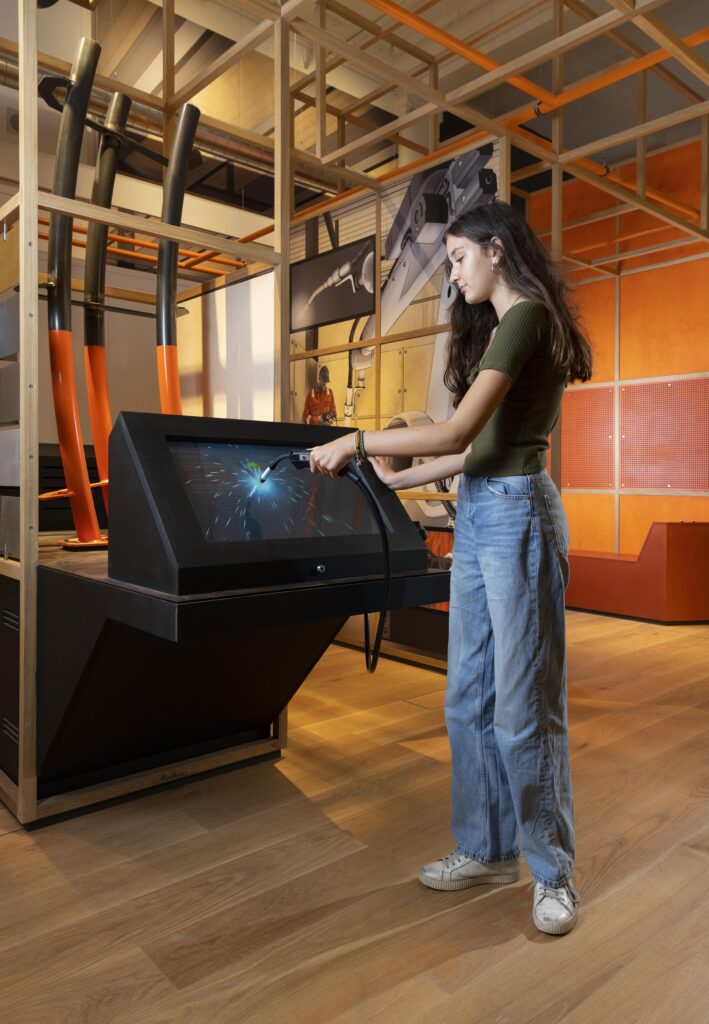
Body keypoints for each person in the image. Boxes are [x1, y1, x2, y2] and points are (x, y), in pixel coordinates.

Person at [308, 200, 592, 936]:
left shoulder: (524, 317)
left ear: (496, 250)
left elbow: (462, 428)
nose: (453, 272)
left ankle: (552, 873)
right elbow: (472, 453)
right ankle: (485, 848)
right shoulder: (505, 329)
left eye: (459, 257)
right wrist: (386, 481)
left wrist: (358, 441)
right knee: (465, 697)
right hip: (481, 511)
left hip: (518, 516)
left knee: (523, 709)